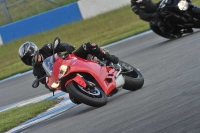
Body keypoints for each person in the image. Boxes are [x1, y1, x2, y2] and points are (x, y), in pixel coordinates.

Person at [18, 40, 119, 92]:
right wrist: (51, 87)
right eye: (26, 60)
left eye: (29, 58)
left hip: (71, 62)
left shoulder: (45, 49)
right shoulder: (37, 71)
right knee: (75, 99)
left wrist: (67, 47)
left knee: (89, 46)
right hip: (62, 78)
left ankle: (110, 59)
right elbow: (47, 83)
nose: (29, 60)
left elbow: (58, 46)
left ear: (34, 51)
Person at [130, 0, 200, 34]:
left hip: (158, 9)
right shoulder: (134, 6)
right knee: (166, 18)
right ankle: (181, 28)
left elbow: (155, 5)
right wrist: (153, 15)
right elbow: (142, 15)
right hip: (153, 16)